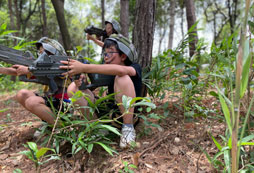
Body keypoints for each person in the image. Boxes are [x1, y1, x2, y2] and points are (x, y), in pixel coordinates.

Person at [60, 34, 142, 148]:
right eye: (105, 53)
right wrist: (82, 82)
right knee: (73, 88)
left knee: (122, 78)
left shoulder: (134, 67)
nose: (106, 57)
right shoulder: (106, 69)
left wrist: (84, 67)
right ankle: (97, 129)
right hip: (108, 114)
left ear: (123, 56)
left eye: (110, 52)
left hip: (125, 116)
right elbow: (91, 88)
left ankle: (128, 129)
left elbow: (122, 71)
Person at [14, 37, 69, 127]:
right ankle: (50, 123)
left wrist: (29, 69)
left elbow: (58, 71)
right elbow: (18, 71)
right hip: (51, 102)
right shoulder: (40, 69)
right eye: (40, 53)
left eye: (45, 53)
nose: (41, 55)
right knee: (22, 94)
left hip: (65, 105)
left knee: (32, 102)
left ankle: (60, 128)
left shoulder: (63, 64)